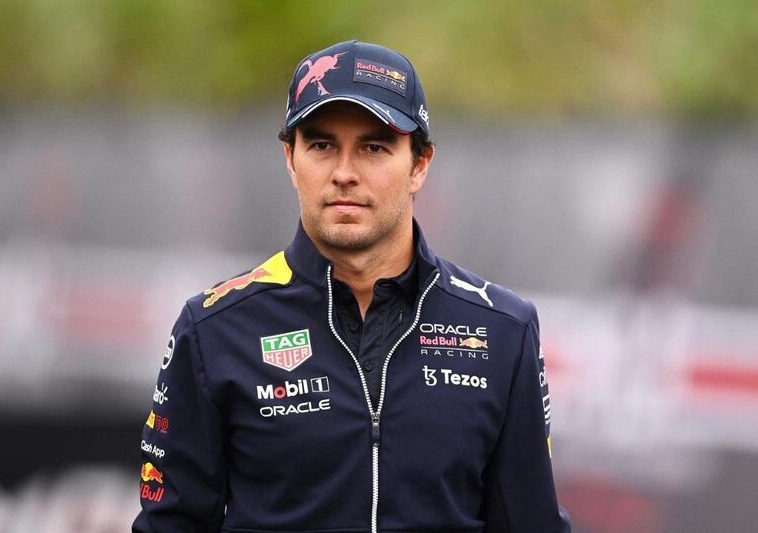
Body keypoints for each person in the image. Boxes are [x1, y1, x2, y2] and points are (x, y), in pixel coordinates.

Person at [133, 39, 570, 533]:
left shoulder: (503, 330)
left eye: (373, 147)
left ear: (420, 164)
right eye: (321, 146)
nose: (344, 173)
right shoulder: (214, 328)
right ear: (290, 158)